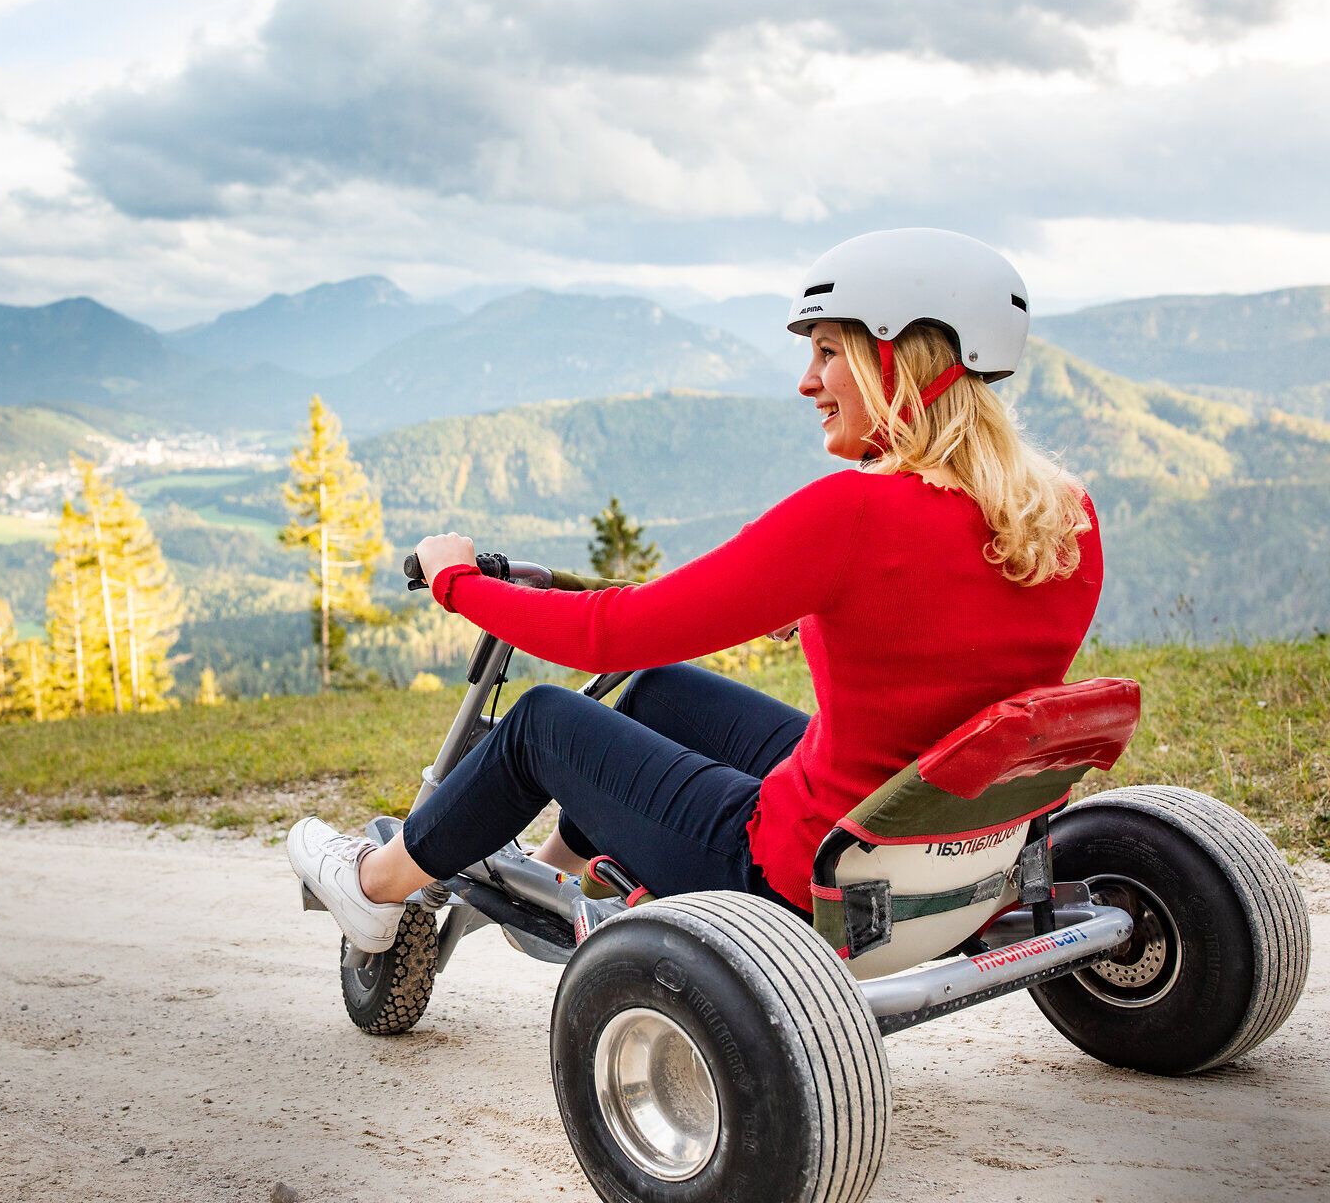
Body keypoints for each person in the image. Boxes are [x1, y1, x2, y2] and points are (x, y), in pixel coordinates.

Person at [288, 227, 1103, 953]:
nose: (806, 381)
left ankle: (374, 887)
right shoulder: (1062, 514)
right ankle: (558, 879)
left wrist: (456, 582)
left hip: (802, 876)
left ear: (897, 358)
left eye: (827, 352)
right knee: (662, 692)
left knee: (543, 721)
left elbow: (609, 633)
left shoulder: (855, 513)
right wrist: (824, 612)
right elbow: (939, 640)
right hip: (950, 847)